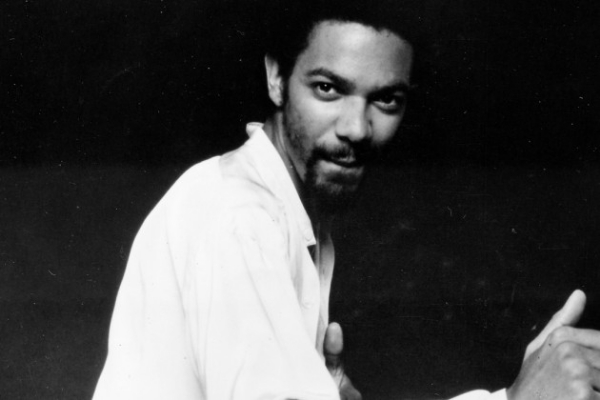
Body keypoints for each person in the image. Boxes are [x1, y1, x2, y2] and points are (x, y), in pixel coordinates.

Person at [93, 2, 600, 399]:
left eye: (386, 100)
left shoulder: (286, 217)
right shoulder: (239, 216)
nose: (357, 128)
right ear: (276, 78)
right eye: (328, 89)